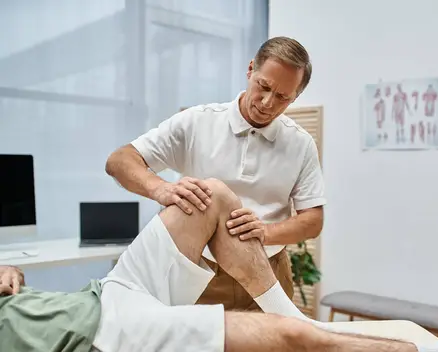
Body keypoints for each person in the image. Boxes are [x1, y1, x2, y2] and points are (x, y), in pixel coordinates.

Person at [1, 179, 438, 352]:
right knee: (288, 341)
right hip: (95, 344)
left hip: (102, 294)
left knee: (210, 194)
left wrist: (12, 276)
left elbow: (311, 219)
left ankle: (297, 313)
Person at [105, 36, 325, 311]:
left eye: (282, 97)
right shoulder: (198, 122)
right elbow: (120, 160)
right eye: (264, 86)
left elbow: (312, 220)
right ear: (250, 70)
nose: (268, 103)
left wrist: (265, 233)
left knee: (275, 351)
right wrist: (160, 188)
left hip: (270, 271)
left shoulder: (300, 143)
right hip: (202, 275)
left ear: (296, 96)